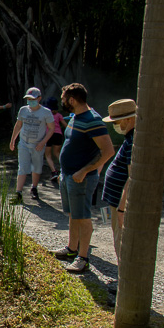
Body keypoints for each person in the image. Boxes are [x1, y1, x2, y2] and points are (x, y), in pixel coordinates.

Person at [54, 83, 115, 274]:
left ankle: (83, 257)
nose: (63, 102)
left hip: (81, 178)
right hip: (68, 175)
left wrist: (85, 171)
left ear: (72, 100)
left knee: (83, 216)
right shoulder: (75, 117)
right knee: (73, 214)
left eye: (64, 99)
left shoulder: (93, 120)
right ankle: (72, 249)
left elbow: (108, 151)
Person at [100, 99, 136, 292]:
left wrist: (122, 207)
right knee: (116, 238)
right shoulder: (129, 138)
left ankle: (126, 285)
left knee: (121, 242)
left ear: (127, 120)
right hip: (112, 201)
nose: (116, 126)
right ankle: (125, 281)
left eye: (116, 122)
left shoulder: (134, 141)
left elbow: (132, 178)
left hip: (119, 203)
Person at [8, 87, 55, 203]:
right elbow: (18, 125)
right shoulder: (23, 110)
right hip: (24, 143)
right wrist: (13, 139)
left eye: (32, 99)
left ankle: (34, 188)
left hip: (37, 144)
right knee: (22, 167)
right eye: (28, 99)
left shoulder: (46, 112)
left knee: (36, 168)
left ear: (39, 98)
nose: (30, 101)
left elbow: (51, 129)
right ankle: (18, 193)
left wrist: (43, 142)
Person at [44, 96, 64, 185]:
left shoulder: (46, 115)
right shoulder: (59, 115)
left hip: (48, 135)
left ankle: (54, 171)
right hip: (58, 135)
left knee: (47, 154)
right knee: (57, 153)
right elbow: (65, 124)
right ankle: (64, 168)